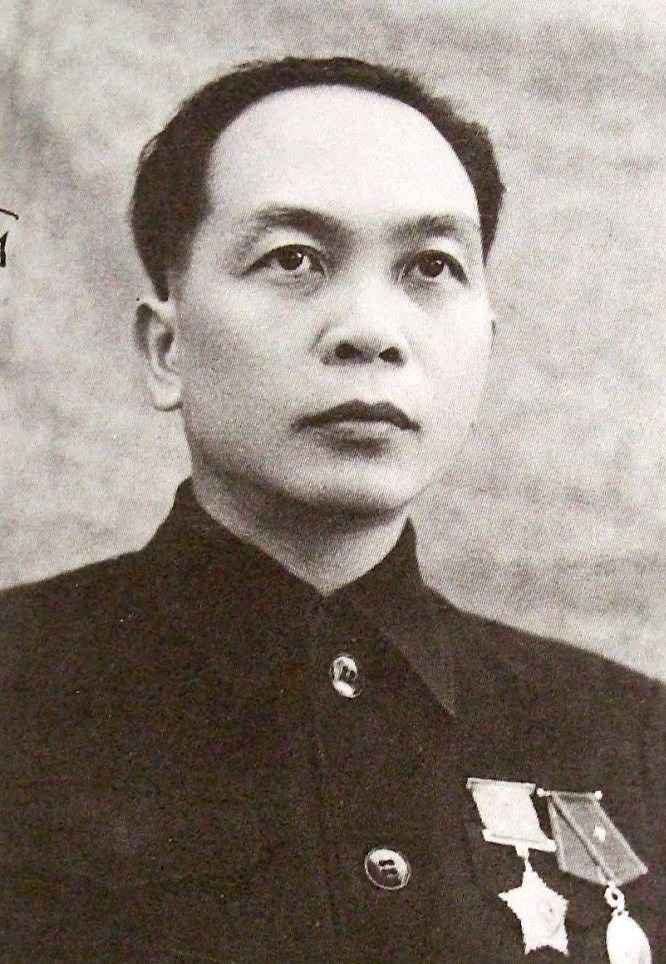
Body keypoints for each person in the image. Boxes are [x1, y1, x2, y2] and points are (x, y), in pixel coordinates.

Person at [1, 57, 663, 963]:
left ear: (485, 344)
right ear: (166, 347)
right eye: (294, 260)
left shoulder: (631, 740)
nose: (370, 332)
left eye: (430, 267)